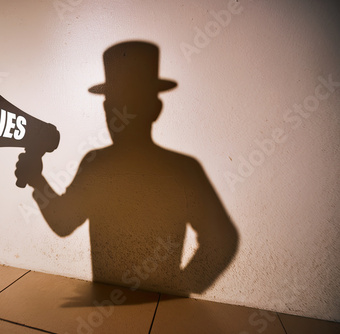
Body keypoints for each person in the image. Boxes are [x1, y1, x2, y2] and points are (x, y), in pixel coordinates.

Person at [15, 41, 238, 295]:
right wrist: (179, 287)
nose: (115, 113)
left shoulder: (96, 163)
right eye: (112, 106)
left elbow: (63, 223)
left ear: (155, 109)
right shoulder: (184, 169)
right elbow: (223, 239)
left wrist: (37, 181)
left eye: (124, 104)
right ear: (156, 109)